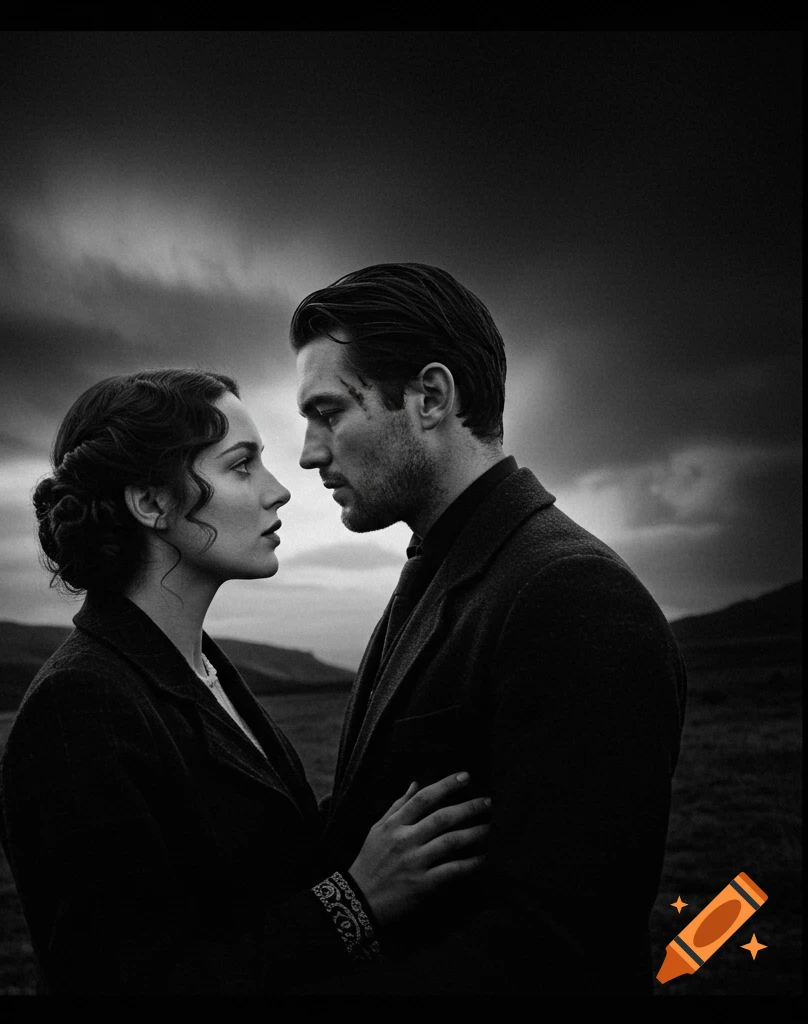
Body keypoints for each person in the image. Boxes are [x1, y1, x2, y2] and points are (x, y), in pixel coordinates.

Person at [0, 368, 492, 994]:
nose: (279, 490)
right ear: (151, 502)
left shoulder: (202, 669)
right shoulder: (79, 706)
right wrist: (356, 900)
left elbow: (262, 866)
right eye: (241, 465)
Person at [289, 263, 687, 994]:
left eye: (328, 412)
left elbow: (565, 951)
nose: (309, 451)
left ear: (431, 397)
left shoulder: (573, 596)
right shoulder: (449, 563)